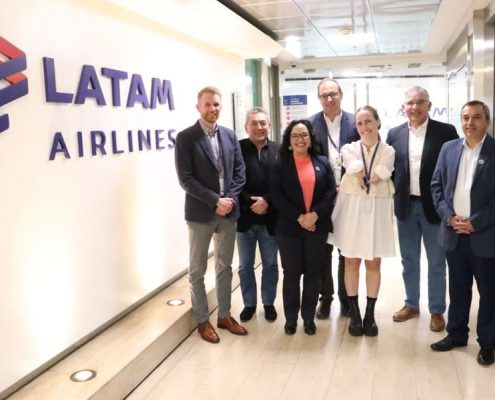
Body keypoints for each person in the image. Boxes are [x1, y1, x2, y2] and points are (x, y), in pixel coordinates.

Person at [175, 86, 247, 344]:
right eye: (207, 104)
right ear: (198, 107)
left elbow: (240, 172)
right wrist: (215, 200)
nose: (212, 109)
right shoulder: (186, 138)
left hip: (228, 211)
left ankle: (224, 315)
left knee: (225, 266)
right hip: (200, 213)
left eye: (216, 104)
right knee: (197, 270)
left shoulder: (229, 135)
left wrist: (228, 200)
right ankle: (202, 320)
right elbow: (186, 179)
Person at [386, 86, 458, 332]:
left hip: (435, 209)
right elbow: (391, 170)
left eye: (420, 102)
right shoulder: (394, 134)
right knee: (409, 260)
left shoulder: (446, 131)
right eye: (410, 103)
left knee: (437, 262)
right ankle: (411, 304)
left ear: (429, 105)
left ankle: (436, 310)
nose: (414, 107)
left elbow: (452, 168)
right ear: (403, 107)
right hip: (405, 207)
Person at [430, 100, 495, 366]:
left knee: (489, 293)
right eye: (466, 117)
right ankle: (456, 335)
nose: (470, 123)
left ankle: (488, 343)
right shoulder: (449, 148)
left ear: (487, 121)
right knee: (457, 289)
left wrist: (475, 222)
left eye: (477, 117)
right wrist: (449, 216)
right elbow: (436, 186)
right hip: (453, 233)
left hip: (484, 236)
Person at [330, 106, 395, 336]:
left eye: (368, 121)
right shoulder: (349, 148)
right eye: (359, 123)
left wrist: (369, 175)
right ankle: (355, 314)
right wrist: (362, 173)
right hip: (352, 209)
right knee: (351, 261)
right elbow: (355, 169)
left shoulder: (388, 150)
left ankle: (370, 314)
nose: (364, 127)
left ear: (378, 122)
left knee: (374, 263)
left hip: (377, 210)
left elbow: (380, 173)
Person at [270, 119, 336, 335]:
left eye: (304, 135)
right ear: (289, 141)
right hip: (289, 228)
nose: (300, 139)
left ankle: (308, 318)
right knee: (291, 274)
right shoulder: (279, 164)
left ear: (310, 138)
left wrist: (315, 215)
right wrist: (300, 217)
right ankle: (291, 319)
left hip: (317, 226)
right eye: (295, 136)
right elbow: (276, 196)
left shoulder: (322, 162)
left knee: (312, 273)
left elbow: (330, 192)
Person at [308, 78, 359, 319]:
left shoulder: (356, 122)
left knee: (345, 250)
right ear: (319, 99)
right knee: (323, 250)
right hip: (322, 197)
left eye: (333, 94)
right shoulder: (309, 125)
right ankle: (325, 298)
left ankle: (346, 299)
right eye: (324, 95)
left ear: (341, 94)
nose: (329, 99)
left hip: (350, 195)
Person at [236, 107, 279, 323]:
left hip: (270, 218)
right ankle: (249, 304)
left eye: (263, 123)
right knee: (245, 266)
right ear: (246, 127)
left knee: (270, 264)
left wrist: (267, 201)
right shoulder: (237, 149)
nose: (259, 127)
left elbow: (283, 182)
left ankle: (268, 303)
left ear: (269, 126)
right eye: (254, 123)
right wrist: (251, 202)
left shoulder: (280, 150)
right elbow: (233, 181)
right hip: (244, 218)